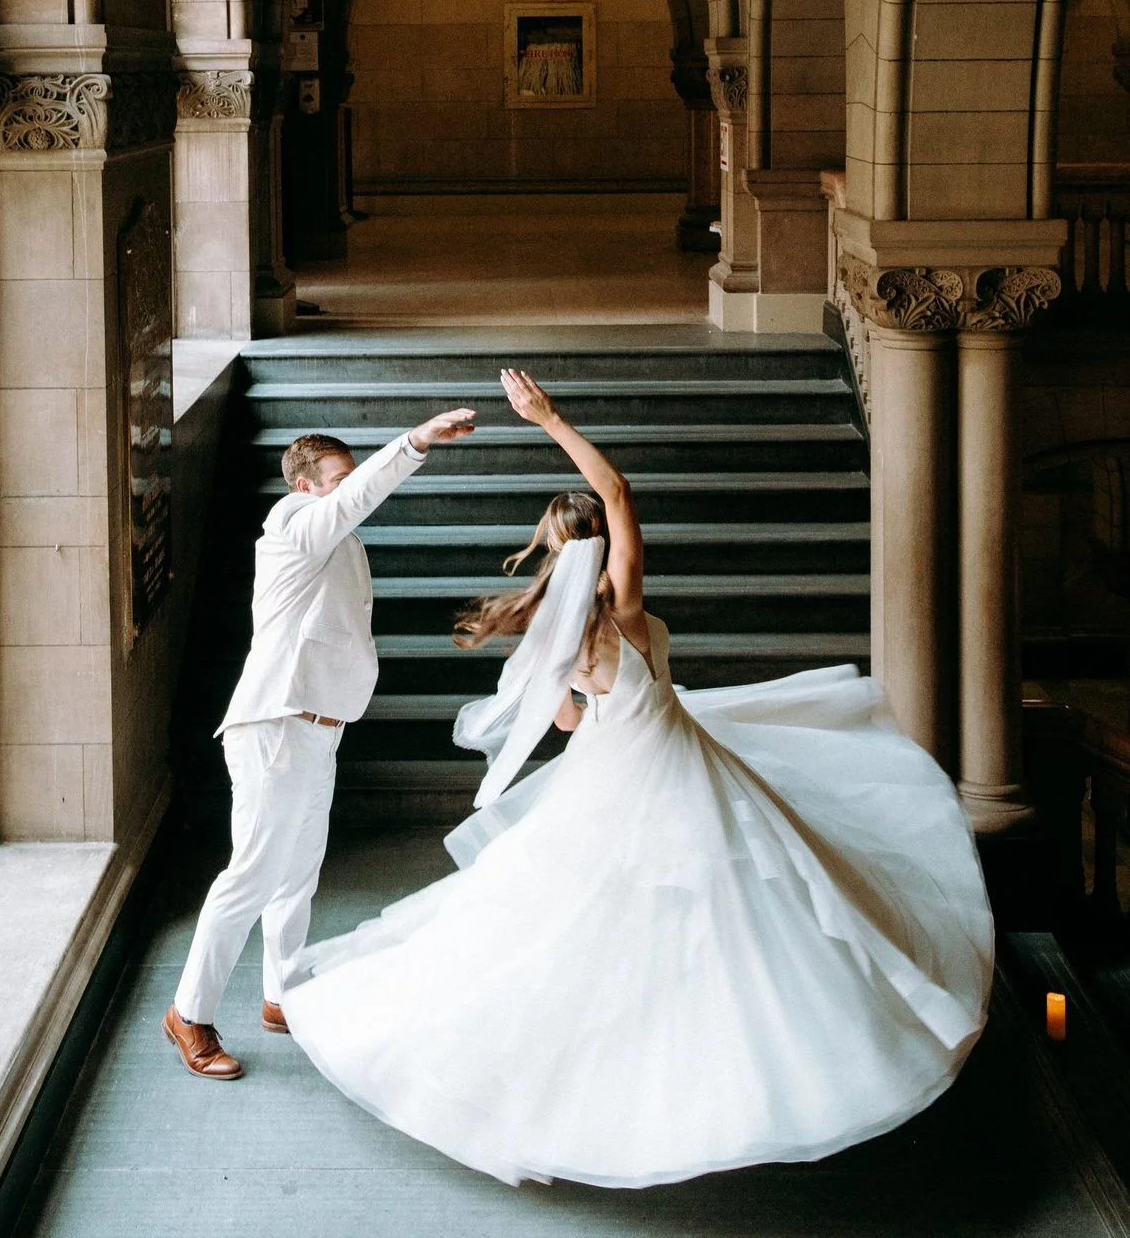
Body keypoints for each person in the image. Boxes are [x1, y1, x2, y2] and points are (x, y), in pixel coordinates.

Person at [282, 369, 995, 1188]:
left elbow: (565, 724)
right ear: (599, 544)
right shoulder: (624, 604)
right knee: (743, 899)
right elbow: (614, 488)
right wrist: (548, 419)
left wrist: (602, 703)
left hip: (611, 766)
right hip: (675, 759)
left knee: (580, 914)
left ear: (552, 548)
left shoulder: (564, 627)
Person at [163, 404, 476, 1080]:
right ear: (305, 486)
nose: (350, 484)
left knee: (297, 875)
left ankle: (281, 996)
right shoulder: (297, 528)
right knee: (251, 875)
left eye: (349, 475)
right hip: (276, 724)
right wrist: (416, 439)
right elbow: (359, 497)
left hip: (316, 726)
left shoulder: (332, 535)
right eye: (339, 477)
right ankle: (189, 1014)